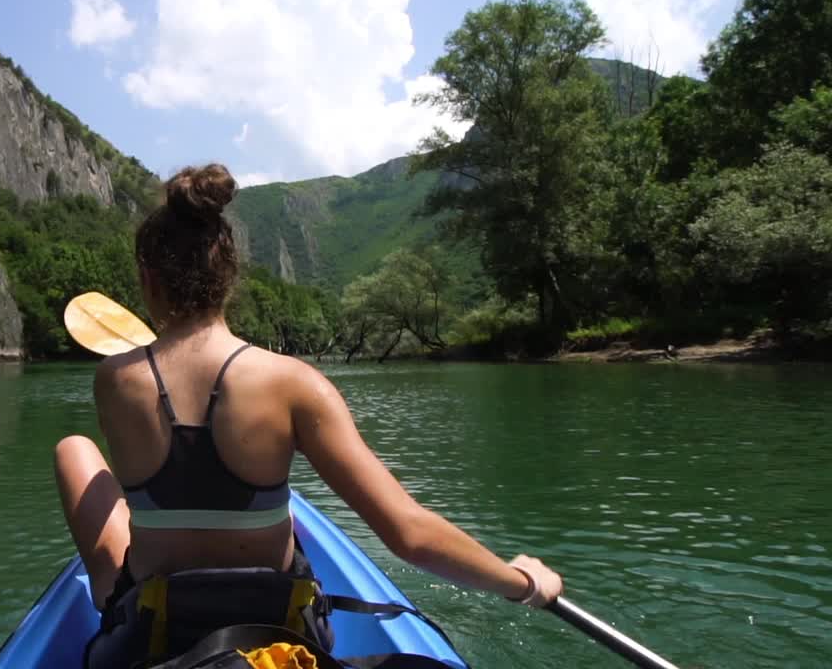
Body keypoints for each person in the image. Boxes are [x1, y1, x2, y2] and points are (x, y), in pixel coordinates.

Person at [55, 164, 563, 667]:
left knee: (73, 450)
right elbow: (410, 533)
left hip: (156, 630)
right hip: (277, 625)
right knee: (280, 507)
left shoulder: (116, 382)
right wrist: (522, 582)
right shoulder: (293, 382)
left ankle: (118, 590)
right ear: (230, 273)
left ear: (147, 279)